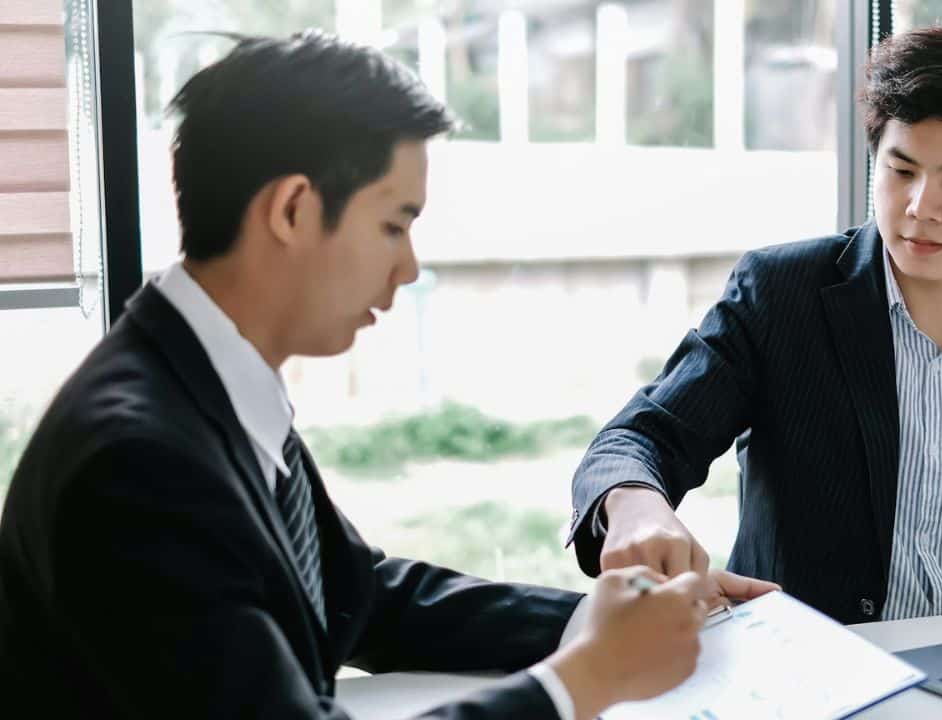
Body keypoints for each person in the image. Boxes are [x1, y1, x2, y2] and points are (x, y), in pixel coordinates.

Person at [0, 31, 776, 719]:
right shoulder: (139, 464)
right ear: (294, 211)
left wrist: (627, 619)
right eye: (393, 224)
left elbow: (358, 595)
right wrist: (585, 679)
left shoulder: (204, 383)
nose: (408, 268)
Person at [568, 23, 942, 625]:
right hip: (820, 662)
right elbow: (642, 437)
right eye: (901, 170)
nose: (921, 206)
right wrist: (634, 502)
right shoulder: (781, 294)